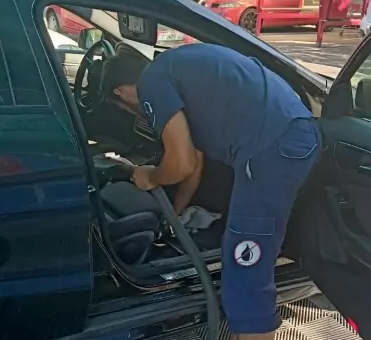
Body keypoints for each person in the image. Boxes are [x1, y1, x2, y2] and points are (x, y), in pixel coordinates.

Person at [100, 43, 320, 340]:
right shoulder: (179, 71)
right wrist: (175, 216)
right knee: (244, 250)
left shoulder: (152, 82)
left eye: (122, 106)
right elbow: (195, 165)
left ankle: (256, 332)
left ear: (121, 92)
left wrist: (150, 175)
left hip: (273, 146)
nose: (130, 110)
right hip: (286, 135)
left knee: (245, 260)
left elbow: (181, 163)